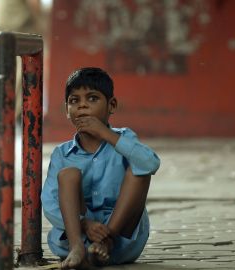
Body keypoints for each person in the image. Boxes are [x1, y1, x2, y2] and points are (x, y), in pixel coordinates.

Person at [41, 67, 160, 269]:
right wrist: (84, 224)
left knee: (139, 169)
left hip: (121, 236)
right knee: (68, 174)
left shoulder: (124, 138)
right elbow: (49, 203)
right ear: (66, 110)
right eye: (74, 101)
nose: (83, 106)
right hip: (76, 235)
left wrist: (106, 134)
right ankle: (79, 250)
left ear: (111, 105)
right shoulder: (62, 154)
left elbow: (151, 164)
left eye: (92, 98)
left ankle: (104, 243)